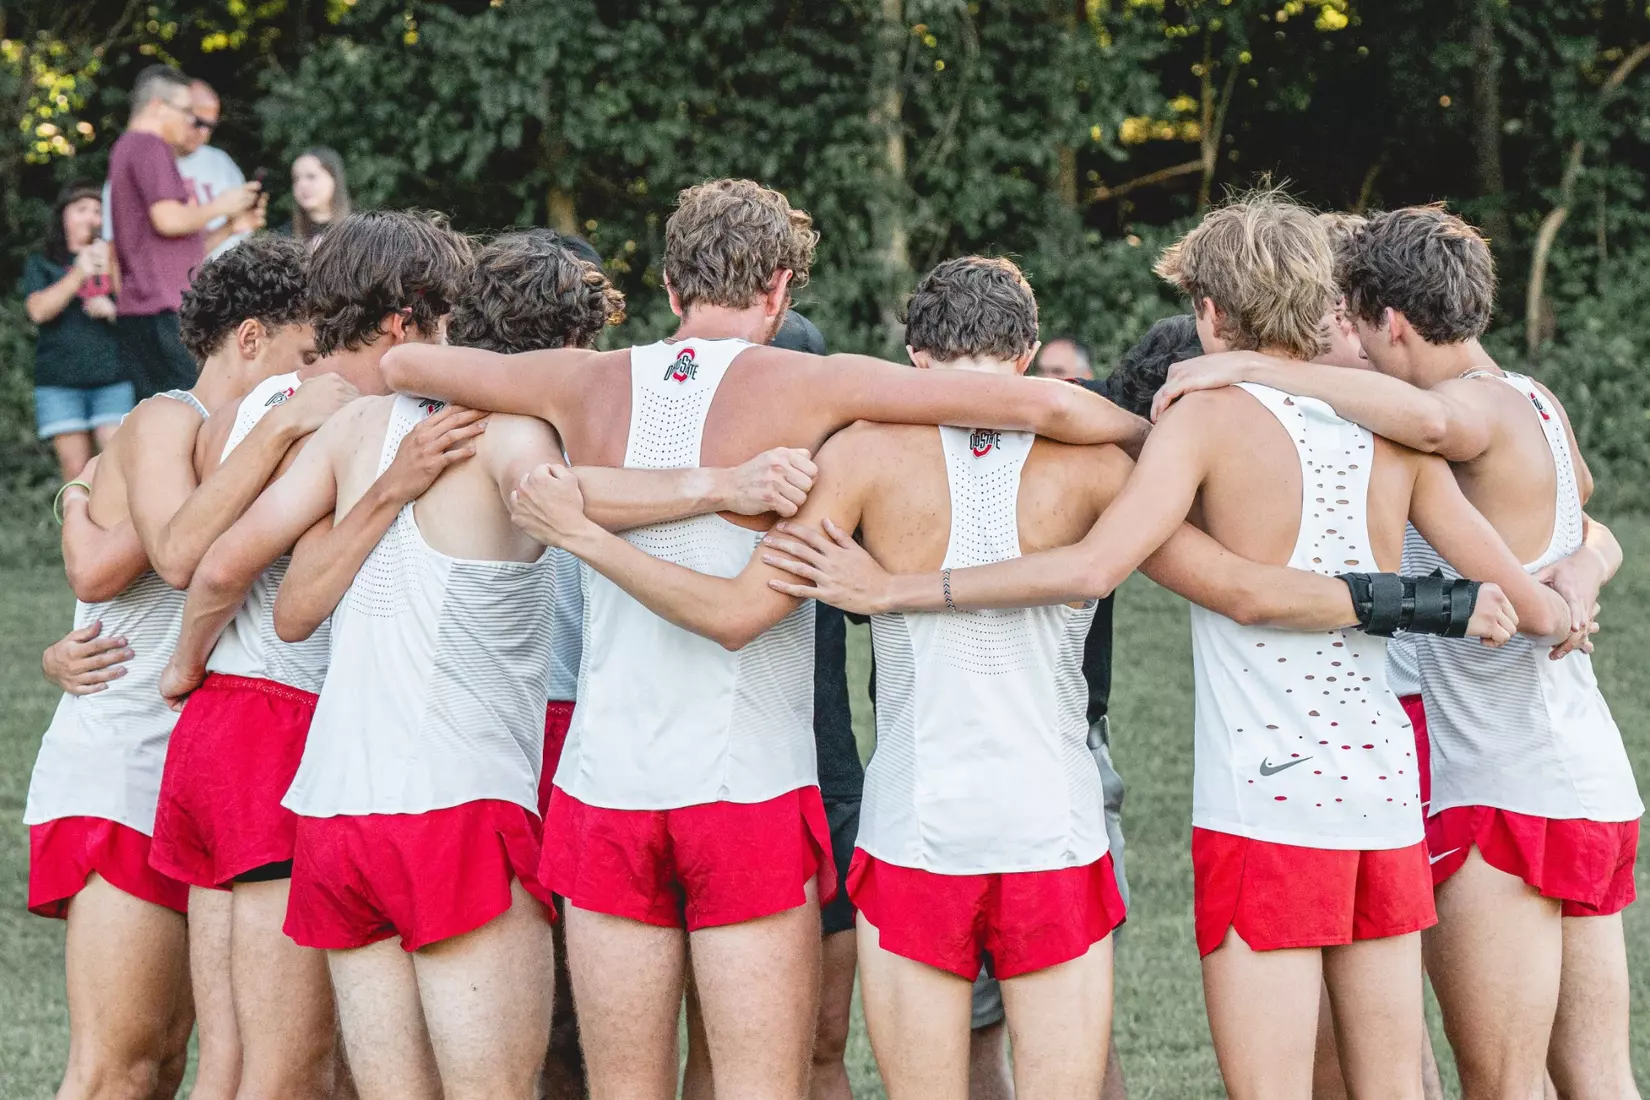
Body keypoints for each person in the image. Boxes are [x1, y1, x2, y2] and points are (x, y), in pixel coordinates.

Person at [757, 195, 1575, 1100]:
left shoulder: (1203, 422)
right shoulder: (1388, 427)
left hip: (1266, 800)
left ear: (1211, 315)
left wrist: (901, 592)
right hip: (1380, 796)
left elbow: (1108, 568)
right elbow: (1533, 601)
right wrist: (1555, 579)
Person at [379, 177, 1151, 1100]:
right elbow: (1049, 411)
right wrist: (1163, 432)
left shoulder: (581, 378)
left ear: (669, 290)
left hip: (606, 784)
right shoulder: (816, 382)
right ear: (782, 291)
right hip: (747, 789)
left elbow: (404, 369)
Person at [1155, 205, 1642, 1100]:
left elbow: (1427, 422)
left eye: (1358, 328)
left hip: (1504, 786)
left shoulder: (1448, 416)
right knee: (1598, 1078)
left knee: (1501, 1084)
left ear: (1396, 325)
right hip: (1588, 775)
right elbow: (1588, 507)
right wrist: (1584, 569)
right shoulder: (1536, 397)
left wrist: (1253, 365)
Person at [24, 233, 348, 1100]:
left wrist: (77, 498)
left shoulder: (228, 441)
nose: (317, 373)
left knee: (171, 1060)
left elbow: (101, 550)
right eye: (306, 351)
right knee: (118, 1068)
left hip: (200, 768)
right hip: (124, 754)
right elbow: (166, 553)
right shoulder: (171, 419)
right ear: (249, 339)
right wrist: (279, 428)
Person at [107, 65, 264, 399]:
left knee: (164, 408)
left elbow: (173, 245)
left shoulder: (126, 147)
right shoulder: (150, 146)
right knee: (190, 407)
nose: (190, 122)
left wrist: (232, 226)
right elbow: (168, 219)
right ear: (157, 106)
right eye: (185, 112)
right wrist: (224, 203)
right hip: (163, 307)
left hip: (147, 307)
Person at [23, 183, 129, 481]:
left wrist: (112, 310)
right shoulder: (42, 262)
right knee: (76, 473)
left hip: (113, 377)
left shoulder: (114, 260)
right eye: (81, 210)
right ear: (64, 217)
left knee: (114, 468)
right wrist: (79, 272)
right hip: (60, 382)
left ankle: (117, 528)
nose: (90, 218)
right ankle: (76, 528)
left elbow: (137, 319)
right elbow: (38, 311)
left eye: (97, 211)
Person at [176, 80, 250, 262]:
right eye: (198, 122)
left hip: (222, 275)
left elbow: (241, 227)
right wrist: (219, 207)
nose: (203, 132)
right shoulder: (149, 161)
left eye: (210, 126)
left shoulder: (220, 162)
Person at [286, 147, 352, 246]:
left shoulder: (357, 229)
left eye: (311, 176)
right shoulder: (285, 235)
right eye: (296, 179)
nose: (302, 184)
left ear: (333, 179)